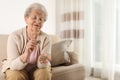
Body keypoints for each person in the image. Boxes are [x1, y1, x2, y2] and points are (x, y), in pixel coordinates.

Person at [1, 2, 52, 80]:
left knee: (44, 72)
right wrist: (26, 54)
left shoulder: (46, 38)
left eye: (41, 19)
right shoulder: (14, 36)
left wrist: (43, 60)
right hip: (17, 68)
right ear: (26, 19)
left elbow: (42, 67)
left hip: (36, 68)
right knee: (15, 75)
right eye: (34, 17)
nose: (38, 21)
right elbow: (13, 66)